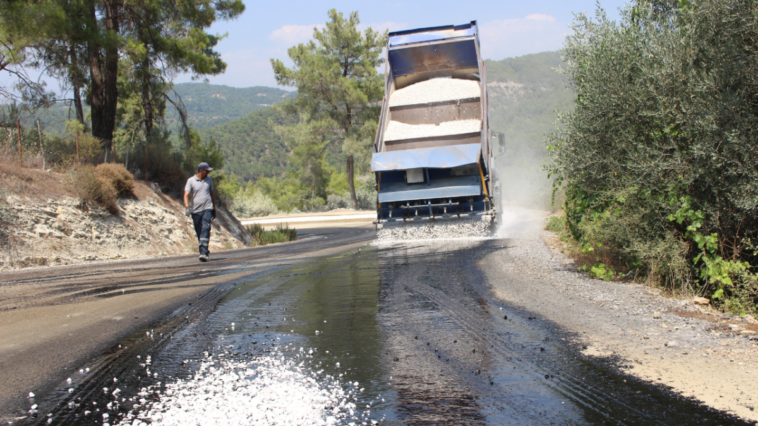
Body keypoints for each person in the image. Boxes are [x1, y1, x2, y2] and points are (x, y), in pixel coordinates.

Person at [184, 162, 217, 262]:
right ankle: (204, 250)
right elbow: (186, 195)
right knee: (199, 231)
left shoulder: (209, 180)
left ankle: (203, 253)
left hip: (207, 208)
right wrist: (187, 207)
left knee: (205, 228)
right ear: (201, 171)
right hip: (196, 211)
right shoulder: (191, 181)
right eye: (207, 171)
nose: (208, 172)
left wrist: (214, 208)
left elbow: (212, 194)